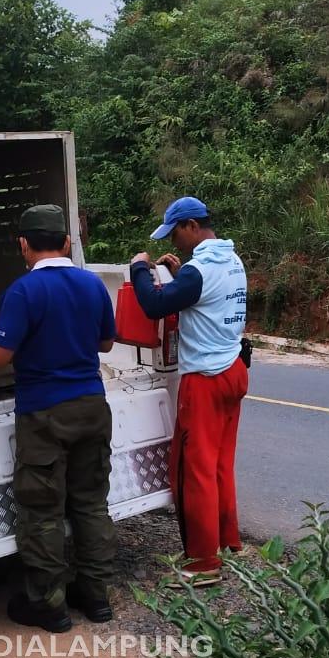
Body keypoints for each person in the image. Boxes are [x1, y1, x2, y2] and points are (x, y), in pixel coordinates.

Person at [0, 204, 117, 633]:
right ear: (66, 242)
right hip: (93, 406)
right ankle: (96, 598)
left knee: (42, 510)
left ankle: (49, 606)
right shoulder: (92, 284)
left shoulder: (23, 292)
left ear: (23, 245)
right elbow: (107, 343)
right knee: (91, 503)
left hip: (45, 413)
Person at [130, 197, 248, 587]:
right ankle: (229, 542)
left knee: (194, 471)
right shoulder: (232, 259)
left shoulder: (199, 270)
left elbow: (153, 305)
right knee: (220, 465)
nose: (177, 242)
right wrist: (181, 273)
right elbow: (200, 296)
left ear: (192, 227)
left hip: (205, 381)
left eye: (177, 233)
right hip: (234, 369)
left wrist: (140, 268)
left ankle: (202, 563)